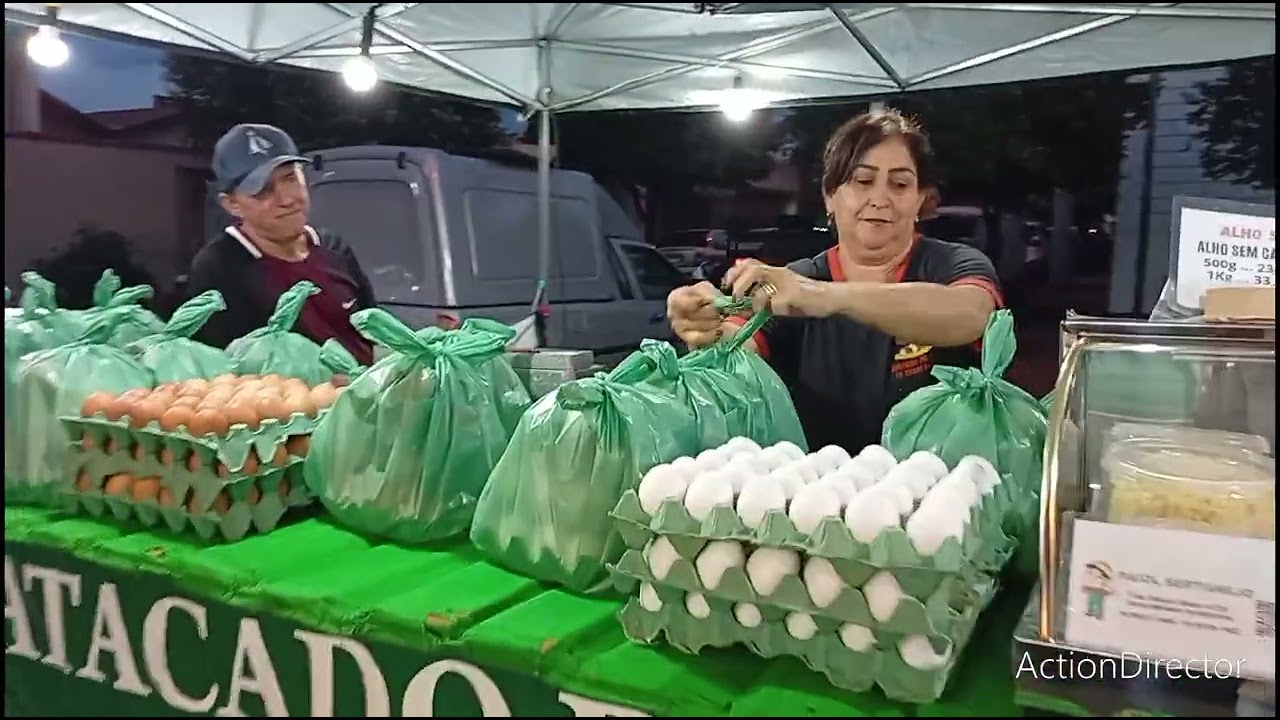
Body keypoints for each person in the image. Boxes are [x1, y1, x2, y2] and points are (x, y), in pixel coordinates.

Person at [665, 109, 1003, 453]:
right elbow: (735, 346)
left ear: (919, 200)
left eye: (900, 184)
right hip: (817, 491)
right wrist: (703, 324)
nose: (880, 198)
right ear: (830, 195)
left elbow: (971, 315)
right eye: (862, 180)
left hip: (944, 491)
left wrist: (825, 297)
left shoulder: (954, 263)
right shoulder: (796, 282)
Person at [185, 123, 377, 366]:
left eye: (290, 179)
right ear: (231, 204)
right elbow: (221, 374)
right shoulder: (219, 267)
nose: (287, 199)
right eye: (263, 191)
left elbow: (376, 335)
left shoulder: (334, 248)